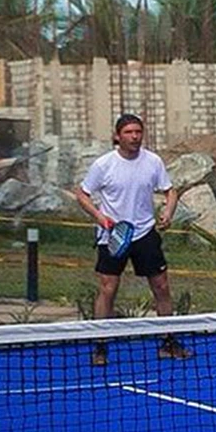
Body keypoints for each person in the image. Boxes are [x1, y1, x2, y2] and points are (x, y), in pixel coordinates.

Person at [75, 113, 186, 364]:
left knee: (162, 287)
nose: (135, 137)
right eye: (129, 132)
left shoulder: (153, 162)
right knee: (108, 289)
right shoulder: (104, 165)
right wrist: (99, 216)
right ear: (117, 136)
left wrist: (168, 212)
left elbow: (170, 191)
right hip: (112, 234)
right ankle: (101, 346)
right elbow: (81, 194)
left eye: (138, 132)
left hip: (145, 233)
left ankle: (168, 342)